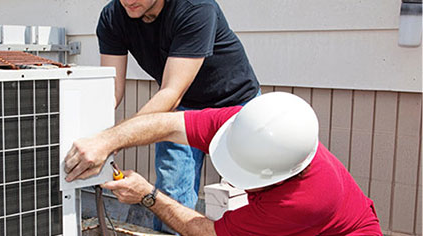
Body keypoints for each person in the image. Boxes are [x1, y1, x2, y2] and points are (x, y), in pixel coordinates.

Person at [64, 92, 382, 235]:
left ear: (278, 178)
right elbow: (167, 124)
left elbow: (205, 231)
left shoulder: (300, 202)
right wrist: (107, 140)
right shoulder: (246, 124)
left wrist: (148, 195)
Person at [90, 0, 261, 231]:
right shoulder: (113, 17)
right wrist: (92, 133)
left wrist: (114, 139)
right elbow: (112, 90)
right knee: (171, 197)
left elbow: (172, 92)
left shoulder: (196, 7)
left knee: (258, 192)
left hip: (235, 104)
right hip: (181, 110)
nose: (128, 0)